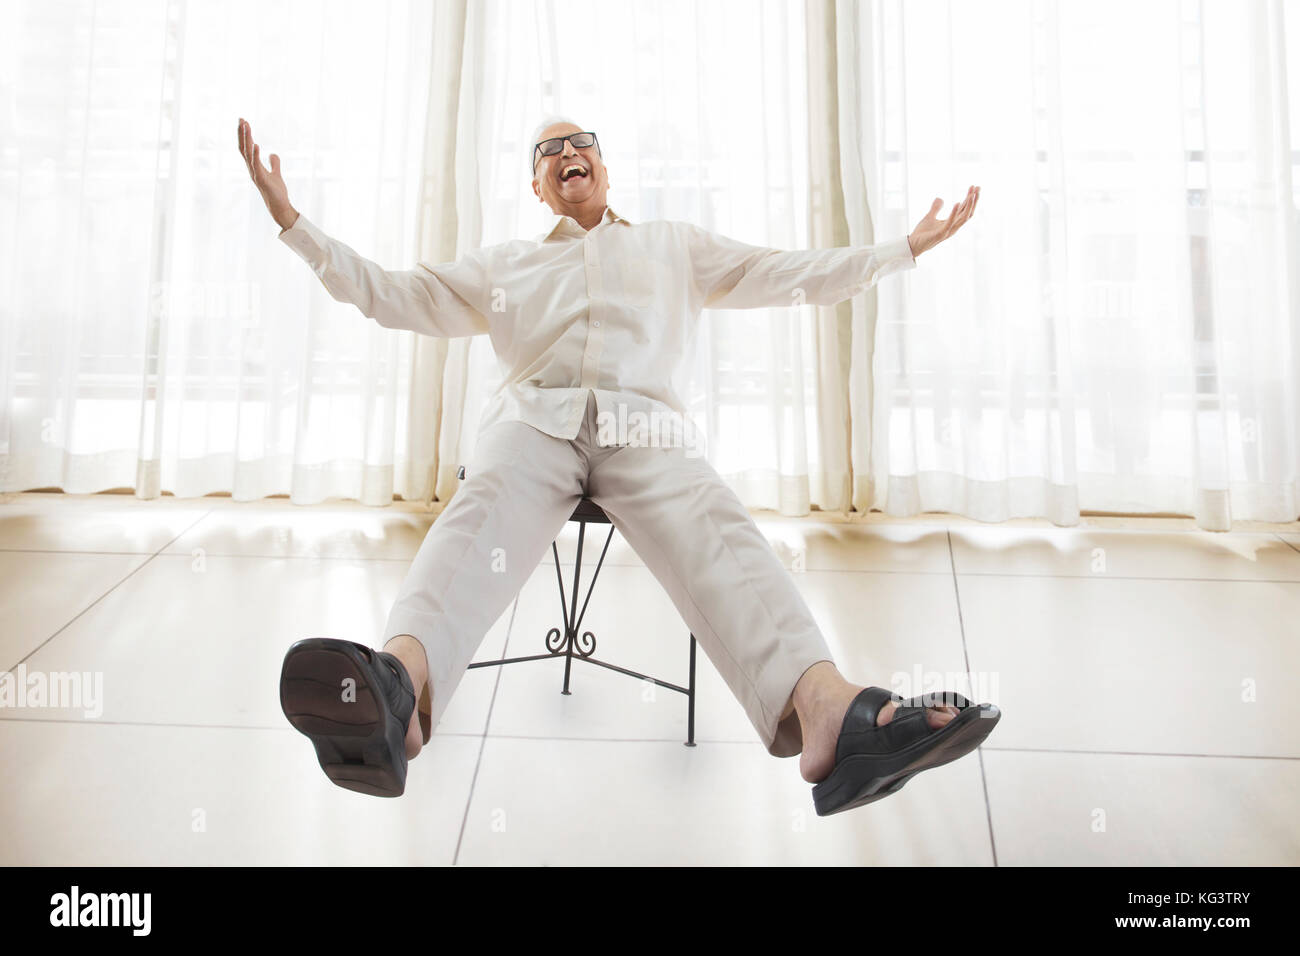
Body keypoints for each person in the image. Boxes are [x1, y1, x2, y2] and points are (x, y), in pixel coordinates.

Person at [238, 114, 996, 816]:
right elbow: (391, 294)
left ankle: (834, 713)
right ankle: (396, 687)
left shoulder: (672, 244)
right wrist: (293, 226)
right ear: (535, 186)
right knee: (482, 504)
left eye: (582, 143)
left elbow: (784, 272)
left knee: (715, 520)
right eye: (550, 150)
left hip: (646, 429)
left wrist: (902, 250)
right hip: (534, 425)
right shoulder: (504, 265)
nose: (569, 153)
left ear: (603, 165)